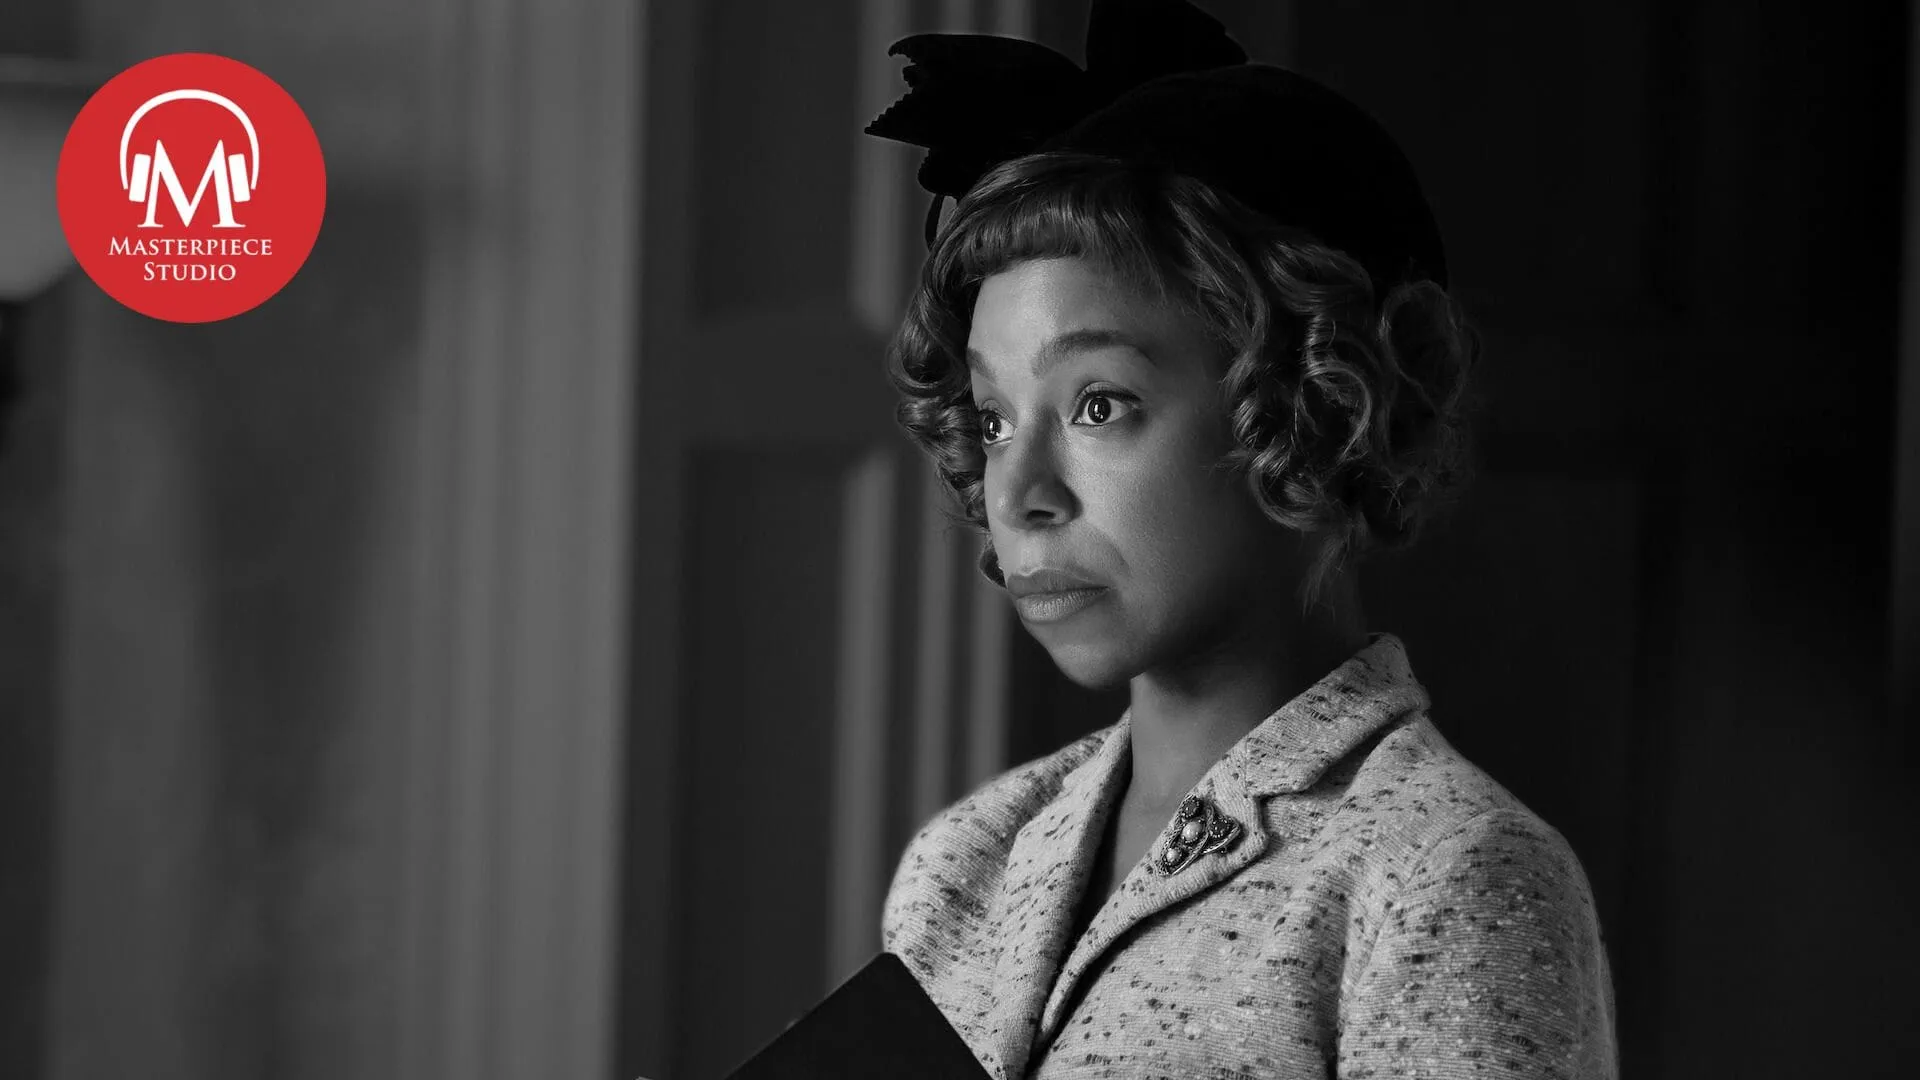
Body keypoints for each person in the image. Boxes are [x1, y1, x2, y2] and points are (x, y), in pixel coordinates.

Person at [863, 1, 1618, 1078]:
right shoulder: (965, 861)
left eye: (1099, 404)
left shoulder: (1446, 875)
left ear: (1317, 401)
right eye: (991, 421)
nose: (1018, 491)